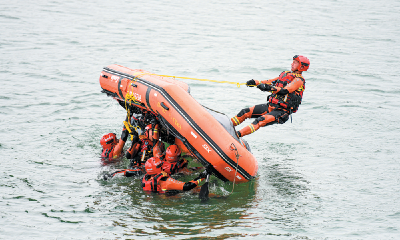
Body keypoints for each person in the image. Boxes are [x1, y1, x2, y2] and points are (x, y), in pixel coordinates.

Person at [231, 55, 310, 137]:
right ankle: (227, 126)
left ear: (301, 66)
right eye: (292, 62)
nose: (292, 64)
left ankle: (236, 135)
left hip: (281, 111)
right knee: (245, 112)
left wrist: (267, 88)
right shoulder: (285, 74)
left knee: (260, 121)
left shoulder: (299, 80)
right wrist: (256, 82)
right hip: (271, 106)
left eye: (295, 63)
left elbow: (284, 91)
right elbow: (270, 82)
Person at [141, 157, 206, 194]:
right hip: (172, 198)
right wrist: (202, 176)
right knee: (196, 190)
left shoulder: (146, 177)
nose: (163, 167)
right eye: (161, 166)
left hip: (160, 196)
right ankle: (216, 196)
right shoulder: (165, 181)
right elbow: (187, 186)